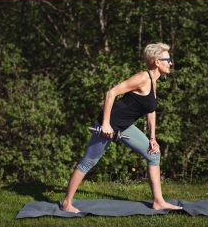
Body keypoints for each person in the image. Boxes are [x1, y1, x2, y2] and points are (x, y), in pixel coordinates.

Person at [61, 42, 183, 213]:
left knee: (154, 154)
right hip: (108, 124)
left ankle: (158, 201)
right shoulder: (141, 78)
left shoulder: (154, 81)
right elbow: (111, 93)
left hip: (124, 126)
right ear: (156, 61)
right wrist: (105, 124)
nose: (170, 63)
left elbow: (151, 110)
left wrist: (152, 138)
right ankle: (66, 203)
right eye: (168, 59)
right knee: (89, 161)